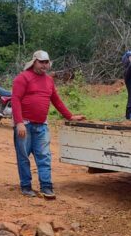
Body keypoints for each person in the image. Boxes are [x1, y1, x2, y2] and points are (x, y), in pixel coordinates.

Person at [12, 50, 86, 199]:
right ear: (34, 62)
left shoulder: (49, 81)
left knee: (44, 156)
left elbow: (56, 100)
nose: (45, 65)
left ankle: (46, 187)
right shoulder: (23, 78)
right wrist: (19, 122)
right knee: (23, 157)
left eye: (47, 62)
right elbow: (15, 100)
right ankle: (26, 186)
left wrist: (70, 116)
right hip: (25, 124)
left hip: (41, 126)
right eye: (41, 62)